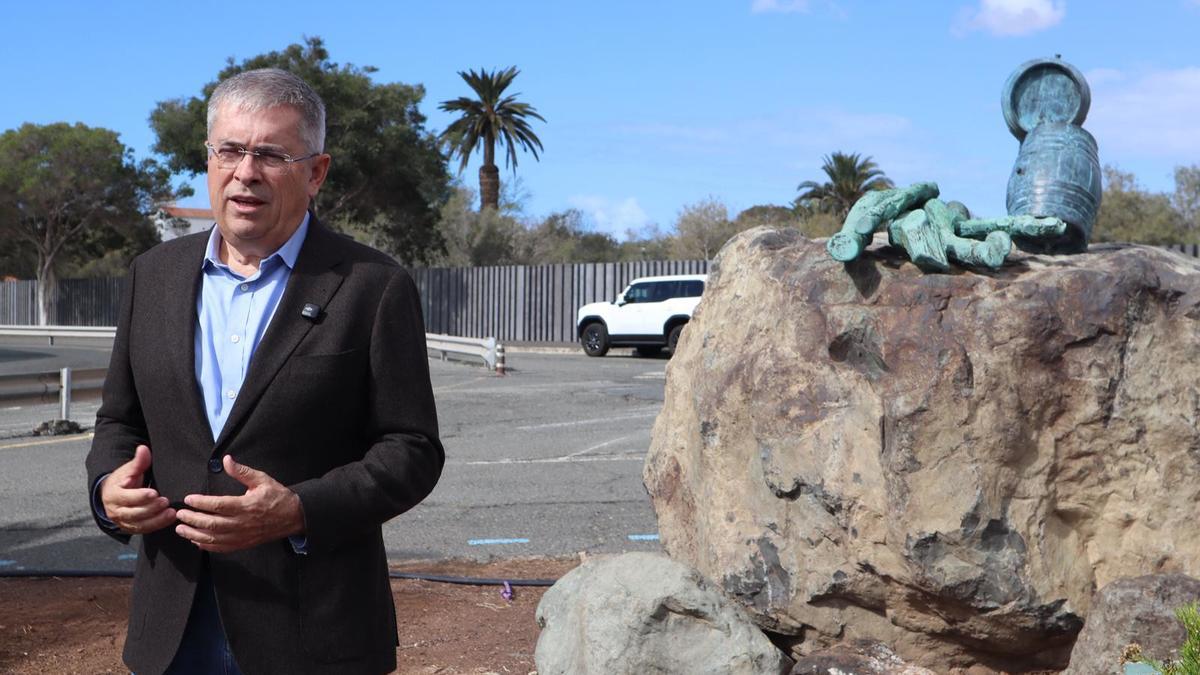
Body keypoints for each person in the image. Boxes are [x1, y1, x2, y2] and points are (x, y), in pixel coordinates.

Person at [85, 68, 444, 675]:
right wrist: (107, 492)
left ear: (316, 173)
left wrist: (301, 510)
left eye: (271, 154)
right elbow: (120, 420)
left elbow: (412, 449)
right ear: (209, 158)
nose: (245, 172)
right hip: (172, 627)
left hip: (313, 632)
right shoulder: (154, 275)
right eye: (229, 150)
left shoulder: (372, 286)